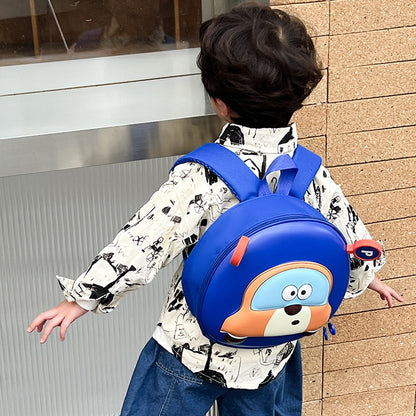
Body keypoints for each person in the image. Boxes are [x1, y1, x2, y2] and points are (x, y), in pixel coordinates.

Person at [28, 3, 403, 415]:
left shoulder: (202, 175)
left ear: (218, 102)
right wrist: (367, 280)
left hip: (193, 346)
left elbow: (145, 240)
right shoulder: (310, 171)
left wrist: (82, 299)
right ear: (300, 96)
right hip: (272, 347)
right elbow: (352, 238)